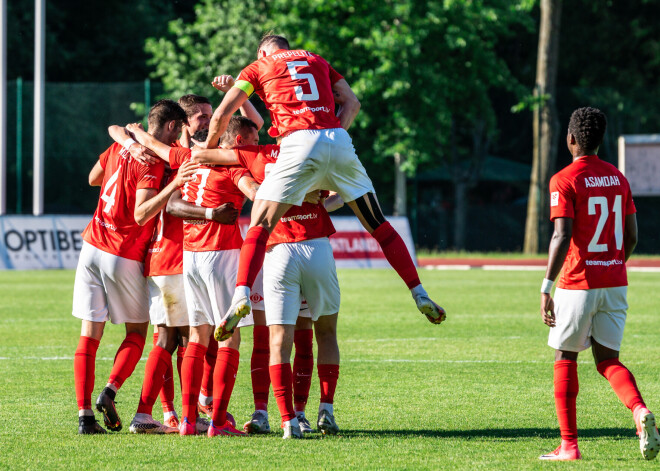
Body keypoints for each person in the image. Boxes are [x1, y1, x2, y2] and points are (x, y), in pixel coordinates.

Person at [203, 34, 445, 334]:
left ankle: (240, 295)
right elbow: (353, 103)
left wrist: (211, 148)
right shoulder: (317, 60)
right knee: (379, 224)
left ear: (262, 51)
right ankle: (419, 292)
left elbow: (222, 115)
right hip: (338, 139)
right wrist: (329, 139)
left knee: (260, 224)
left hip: (297, 142)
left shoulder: (257, 66)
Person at [192, 114, 343, 438]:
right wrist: (309, 197)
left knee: (272, 339)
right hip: (313, 244)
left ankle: (280, 417)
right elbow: (339, 195)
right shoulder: (314, 152)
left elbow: (205, 156)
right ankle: (317, 410)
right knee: (320, 333)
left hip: (272, 251)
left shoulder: (256, 156)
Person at [539, 107, 660, 461]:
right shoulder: (618, 178)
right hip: (614, 281)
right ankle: (639, 412)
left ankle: (569, 446)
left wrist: (546, 286)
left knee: (565, 356)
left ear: (571, 139)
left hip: (578, 283)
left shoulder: (563, 179)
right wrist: (611, 264)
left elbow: (561, 236)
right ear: (601, 140)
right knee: (608, 360)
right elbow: (633, 236)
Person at [125, 121, 260, 437]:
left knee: (198, 337)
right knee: (230, 336)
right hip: (221, 253)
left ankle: (187, 420)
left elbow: (156, 147)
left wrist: (134, 134)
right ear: (236, 141)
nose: (255, 145)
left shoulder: (189, 159)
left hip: (192, 257)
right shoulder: (234, 166)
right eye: (253, 140)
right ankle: (218, 423)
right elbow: (253, 191)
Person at [73, 100, 195, 434]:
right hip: (122, 251)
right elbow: (142, 214)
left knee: (90, 334)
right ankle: (110, 389)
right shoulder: (152, 160)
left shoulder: (120, 147)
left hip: (91, 246)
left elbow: (93, 178)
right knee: (138, 332)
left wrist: (124, 147)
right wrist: (171, 184)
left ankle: (85, 417)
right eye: (180, 130)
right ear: (172, 126)